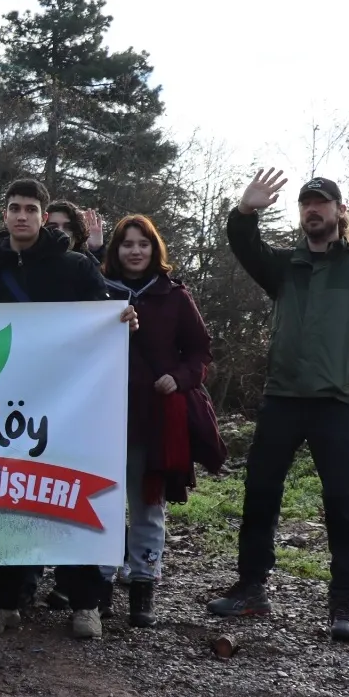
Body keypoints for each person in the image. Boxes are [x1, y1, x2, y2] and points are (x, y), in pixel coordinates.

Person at [0, 178, 137, 640]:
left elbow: (103, 318)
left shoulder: (75, 266)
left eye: (30, 209)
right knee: (10, 499)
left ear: (43, 215)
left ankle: (86, 604)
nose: (22, 216)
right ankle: (4, 602)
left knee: (73, 497)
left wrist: (123, 320)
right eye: (14, 208)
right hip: (6, 406)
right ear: (4, 215)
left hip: (69, 404)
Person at [209, 171, 349, 641]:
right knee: (260, 495)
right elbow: (244, 245)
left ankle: (344, 604)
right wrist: (245, 211)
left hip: (334, 402)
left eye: (321, 202)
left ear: (339, 211)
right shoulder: (284, 266)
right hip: (281, 399)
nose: (312, 210)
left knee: (343, 504)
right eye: (305, 203)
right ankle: (251, 588)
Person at [101, 215, 219, 628]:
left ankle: (143, 586)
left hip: (155, 418)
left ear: (155, 249)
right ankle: (98, 588)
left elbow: (200, 352)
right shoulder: (98, 292)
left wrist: (180, 378)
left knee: (148, 504)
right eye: (127, 244)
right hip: (104, 416)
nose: (135, 251)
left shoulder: (175, 296)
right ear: (115, 250)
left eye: (143, 244)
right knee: (102, 503)